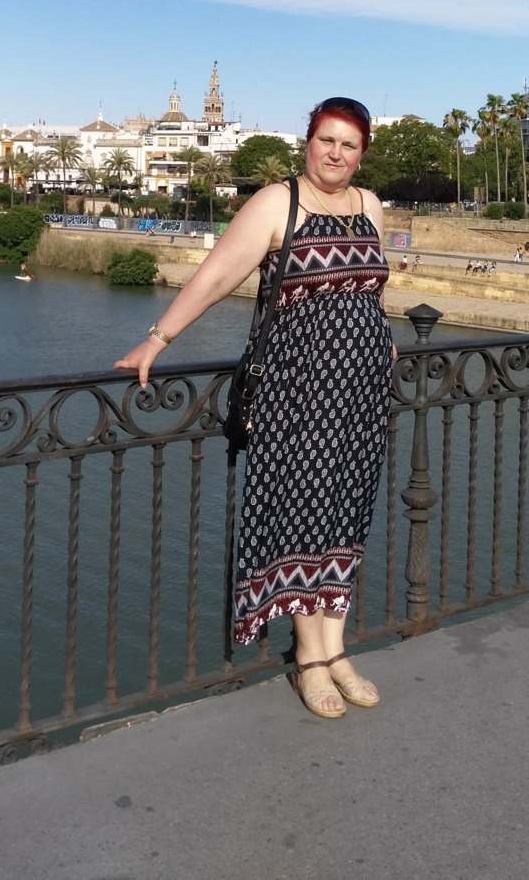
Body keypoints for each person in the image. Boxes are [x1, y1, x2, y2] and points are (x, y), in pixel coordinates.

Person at [115, 96, 394, 720]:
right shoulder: (277, 203)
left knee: (345, 514)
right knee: (302, 516)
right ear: (308, 142)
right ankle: (309, 657)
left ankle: (337, 647)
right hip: (297, 395)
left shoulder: (369, 206)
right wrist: (157, 339)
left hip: (362, 394)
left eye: (349, 145)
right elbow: (217, 276)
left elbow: (371, 290)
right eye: (327, 140)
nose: (336, 153)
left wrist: (383, 340)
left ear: (361, 154)